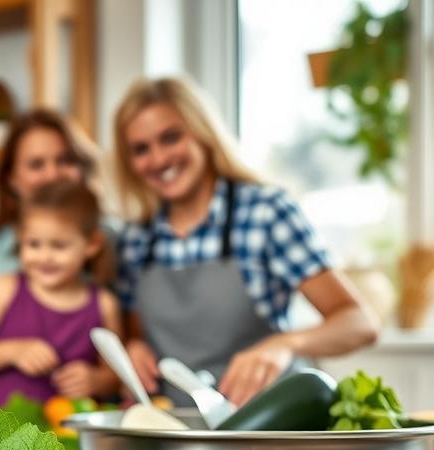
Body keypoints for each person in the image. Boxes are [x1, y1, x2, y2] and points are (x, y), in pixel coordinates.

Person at [111, 77, 379, 407]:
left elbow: (359, 321)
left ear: (202, 133)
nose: (159, 159)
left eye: (171, 137)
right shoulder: (135, 240)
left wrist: (286, 343)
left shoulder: (265, 213)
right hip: (180, 432)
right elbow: (133, 332)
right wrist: (133, 348)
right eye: (141, 149)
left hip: (272, 426)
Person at [0, 180, 121, 407]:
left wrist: (95, 381)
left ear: (92, 244)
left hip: (58, 437)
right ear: (20, 239)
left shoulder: (104, 305)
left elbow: (115, 377)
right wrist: (13, 351)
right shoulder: (3, 289)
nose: (44, 256)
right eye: (33, 244)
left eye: (59, 246)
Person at [0, 109, 105, 330]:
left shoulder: (110, 238)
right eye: (36, 164)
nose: (52, 175)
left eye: (65, 161)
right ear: (11, 178)